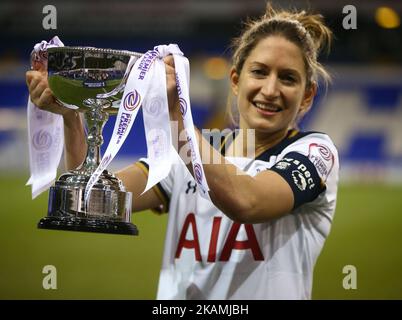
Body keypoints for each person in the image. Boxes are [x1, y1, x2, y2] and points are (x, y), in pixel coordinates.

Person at [26, 4, 339, 300]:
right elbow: (95, 202)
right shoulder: (194, 152)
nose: (270, 90)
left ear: (307, 96)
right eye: (259, 72)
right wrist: (71, 115)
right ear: (235, 80)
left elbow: (247, 201)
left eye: (288, 78)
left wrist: (176, 116)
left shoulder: (315, 152)